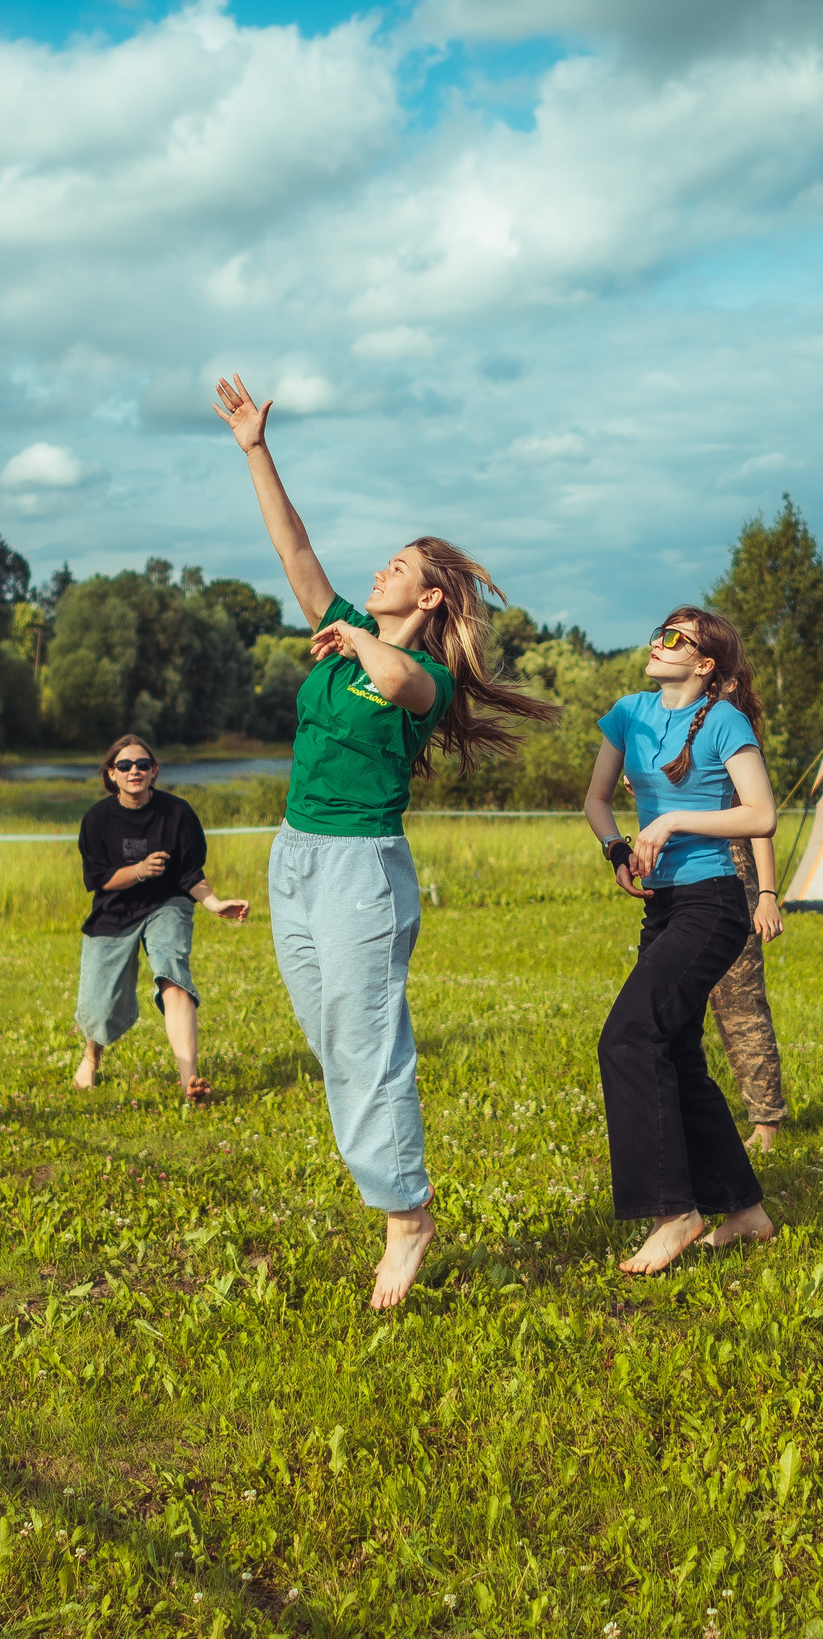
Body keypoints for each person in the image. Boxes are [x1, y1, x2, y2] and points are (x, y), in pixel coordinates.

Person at [213, 372, 558, 1311]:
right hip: (295, 857)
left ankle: (407, 1213)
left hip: (364, 871)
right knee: (331, 1037)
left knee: (369, 1043)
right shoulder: (349, 626)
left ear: (435, 596)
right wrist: (256, 450)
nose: (380, 571)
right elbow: (295, 547)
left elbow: (401, 683)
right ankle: (394, 1188)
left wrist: (355, 641)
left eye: (400, 565)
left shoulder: (422, 676)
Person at [582, 606, 779, 1275]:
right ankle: (745, 1209)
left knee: (629, 1037)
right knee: (675, 1051)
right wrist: (616, 848)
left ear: (705, 664)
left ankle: (675, 1211)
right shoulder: (629, 711)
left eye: (677, 639)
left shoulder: (725, 721)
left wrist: (671, 824)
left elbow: (762, 812)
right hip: (663, 906)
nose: (657, 643)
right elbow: (597, 800)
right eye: (658, 632)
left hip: (713, 905)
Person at [73, 733, 251, 1102]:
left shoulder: (178, 813)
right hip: (114, 910)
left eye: (141, 765)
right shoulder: (97, 819)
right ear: (111, 774)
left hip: (167, 903)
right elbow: (100, 879)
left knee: (173, 973)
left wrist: (214, 903)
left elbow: (189, 874)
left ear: (154, 771)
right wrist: (139, 869)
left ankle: (190, 1079)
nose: (133, 770)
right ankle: (91, 1059)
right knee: (98, 1004)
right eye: (124, 765)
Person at [708, 835, 789, 1148]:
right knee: (672, 1005)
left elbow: (760, 820)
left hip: (727, 862)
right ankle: (680, 1116)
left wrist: (767, 894)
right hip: (673, 865)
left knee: (739, 1000)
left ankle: (765, 1121)